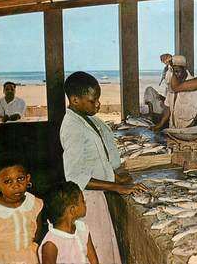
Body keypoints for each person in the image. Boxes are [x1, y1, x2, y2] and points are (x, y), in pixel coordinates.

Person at [60, 71, 148, 264]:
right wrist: (116, 187)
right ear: (75, 100)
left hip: (96, 196)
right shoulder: (72, 127)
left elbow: (95, 159)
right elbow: (75, 176)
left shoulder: (87, 118)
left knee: (105, 247)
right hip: (85, 201)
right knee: (97, 251)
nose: (98, 104)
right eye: (93, 101)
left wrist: (115, 176)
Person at [0, 161, 43, 264]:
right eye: (8, 181)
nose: (16, 185)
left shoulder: (34, 203)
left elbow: (38, 233)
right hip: (1, 259)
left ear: (28, 179)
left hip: (30, 258)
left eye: (20, 179)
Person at [39, 181, 98, 264]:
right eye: (83, 201)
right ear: (72, 210)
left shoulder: (82, 228)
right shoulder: (51, 244)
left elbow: (93, 260)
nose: (85, 203)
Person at [154, 55, 197, 130]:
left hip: (189, 129)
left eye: (177, 71)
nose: (175, 75)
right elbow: (168, 107)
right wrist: (161, 123)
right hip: (173, 128)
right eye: (173, 72)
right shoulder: (171, 84)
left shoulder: (194, 85)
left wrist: (191, 126)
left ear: (185, 69)